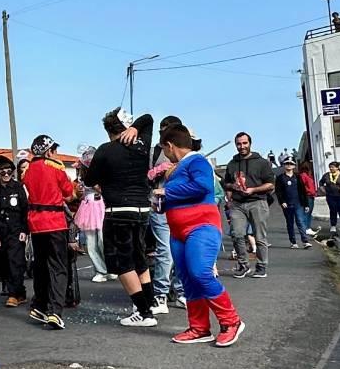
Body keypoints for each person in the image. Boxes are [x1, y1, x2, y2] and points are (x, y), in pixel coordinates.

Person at [153, 126, 246, 348]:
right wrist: (162, 202)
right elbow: (184, 193)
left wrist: (167, 191)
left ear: (170, 146)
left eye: (164, 149)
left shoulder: (197, 161)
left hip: (201, 227)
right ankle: (199, 328)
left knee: (200, 272)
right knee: (187, 278)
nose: (164, 154)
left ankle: (231, 321)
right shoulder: (177, 168)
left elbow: (202, 186)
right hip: (178, 232)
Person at [82, 108, 160, 328]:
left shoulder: (105, 150)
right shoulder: (142, 143)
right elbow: (148, 118)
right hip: (142, 210)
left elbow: (89, 180)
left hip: (118, 211)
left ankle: (144, 313)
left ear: (108, 130)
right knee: (139, 259)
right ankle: (148, 304)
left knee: (122, 263)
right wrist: (135, 128)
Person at [22, 135, 77, 330]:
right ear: (48, 151)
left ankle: (39, 305)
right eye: (54, 150)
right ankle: (55, 312)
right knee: (58, 267)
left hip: (36, 224)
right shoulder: (56, 167)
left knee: (41, 266)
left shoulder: (28, 170)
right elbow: (69, 193)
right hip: (54, 223)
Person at [147, 115, 186, 313]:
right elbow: (144, 176)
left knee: (181, 250)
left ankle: (181, 292)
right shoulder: (154, 151)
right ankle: (160, 295)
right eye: (162, 130)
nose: (164, 133)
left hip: (181, 206)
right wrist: (157, 171)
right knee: (165, 250)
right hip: (159, 205)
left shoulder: (187, 152)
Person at [222, 133, 275, 279]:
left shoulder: (262, 163)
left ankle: (261, 266)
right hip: (237, 204)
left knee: (259, 236)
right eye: (239, 144)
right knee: (237, 234)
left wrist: (254, 189)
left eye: (244, 143)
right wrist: (231, 188)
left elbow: (270, 184)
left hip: (257, 202)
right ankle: (243, 265)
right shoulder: (232, 164)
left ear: (250, 143)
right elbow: (226, 183)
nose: (242, 146)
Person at [0, 157, 29, 307]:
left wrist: (24, 230)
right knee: (5, 263)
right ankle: (20, 293)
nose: (6, 175)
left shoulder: (18, 187)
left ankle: (13, 294)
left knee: (16, 262)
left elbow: (25, 210)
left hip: (16, 230)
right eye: (2, 172)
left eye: (9, 172)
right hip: (2, 231)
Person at [74, 150, 109, 284]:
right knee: (90, 242)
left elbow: (105, 190)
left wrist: (94, 184)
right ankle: (100, 270)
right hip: (88, 207)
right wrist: (79, 191)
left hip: (101, 206)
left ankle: (110, 268)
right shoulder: (82, 176)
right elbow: (79, 195)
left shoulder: (103, 173)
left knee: (103, 240)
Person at [274, 160, 311, 249]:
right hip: (287, 204)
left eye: (291, 164)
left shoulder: (298, 177)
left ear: (294, 166)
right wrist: (282, 201)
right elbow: (278, 191)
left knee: (300, 221)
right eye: (287, 164)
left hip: (298, 203)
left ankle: (305, 241)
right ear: (284, 165)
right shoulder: (280, 177)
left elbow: (303, 191)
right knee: (290, 223)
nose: (289, 165)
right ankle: (293, 242)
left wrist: (306, 204)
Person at [319, 161, 340, 234]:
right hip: (330, 196)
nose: (331, 168)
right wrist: (323, 189)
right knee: (333, 210)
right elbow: (321, 182)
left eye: (332, 167)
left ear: (337, 168)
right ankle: (333, 225)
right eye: (330, 167)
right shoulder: (326, 175)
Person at [297, 161, 318, 237]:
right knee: (306, 212)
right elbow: (301, 187)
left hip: (311, 195)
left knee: (308, 212)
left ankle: (307, 227)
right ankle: (306, 228)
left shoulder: (308, 176)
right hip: (307, 196)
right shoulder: (304, 175)